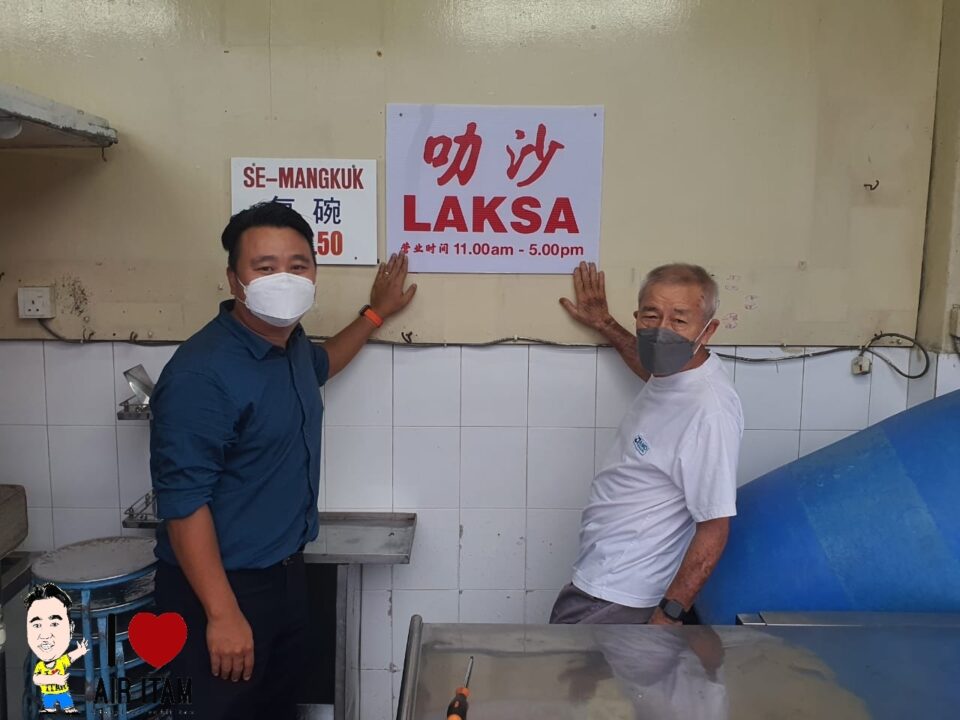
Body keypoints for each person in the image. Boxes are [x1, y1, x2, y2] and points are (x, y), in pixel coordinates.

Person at [150, 201, 416, 719]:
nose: (285, 278)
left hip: (287, 577)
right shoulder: (200, 374)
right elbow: (183, 506)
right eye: (265, 267)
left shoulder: (289, 347)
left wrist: (376, 312)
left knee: (277, 709)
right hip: (216, 591)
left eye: (298, 265)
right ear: (234, 279)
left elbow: (325, 361)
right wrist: (223, 614)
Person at [551, 261, 743, 625]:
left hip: (621, 594)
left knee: (564, 679)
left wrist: (668, 616)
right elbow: (653, 370)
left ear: (708, 329)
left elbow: (715, 526)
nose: (662, 330)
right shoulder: (677, 374)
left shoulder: (708, 411)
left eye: (680, 320)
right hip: (604, 579)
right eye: (651, 316)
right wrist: (605, 323)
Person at [24, 582, 88, 714]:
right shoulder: (40, 666)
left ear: (71, 629)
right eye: (37, 625)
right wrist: (53, 679)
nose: (45, 635)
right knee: (49, 705)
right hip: (49, 694)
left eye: (54, 624)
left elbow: (70, 657)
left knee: (66, 703)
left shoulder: (60, 661)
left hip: (63, 692)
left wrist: (80, 651)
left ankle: (68, 710)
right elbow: (37, 679)